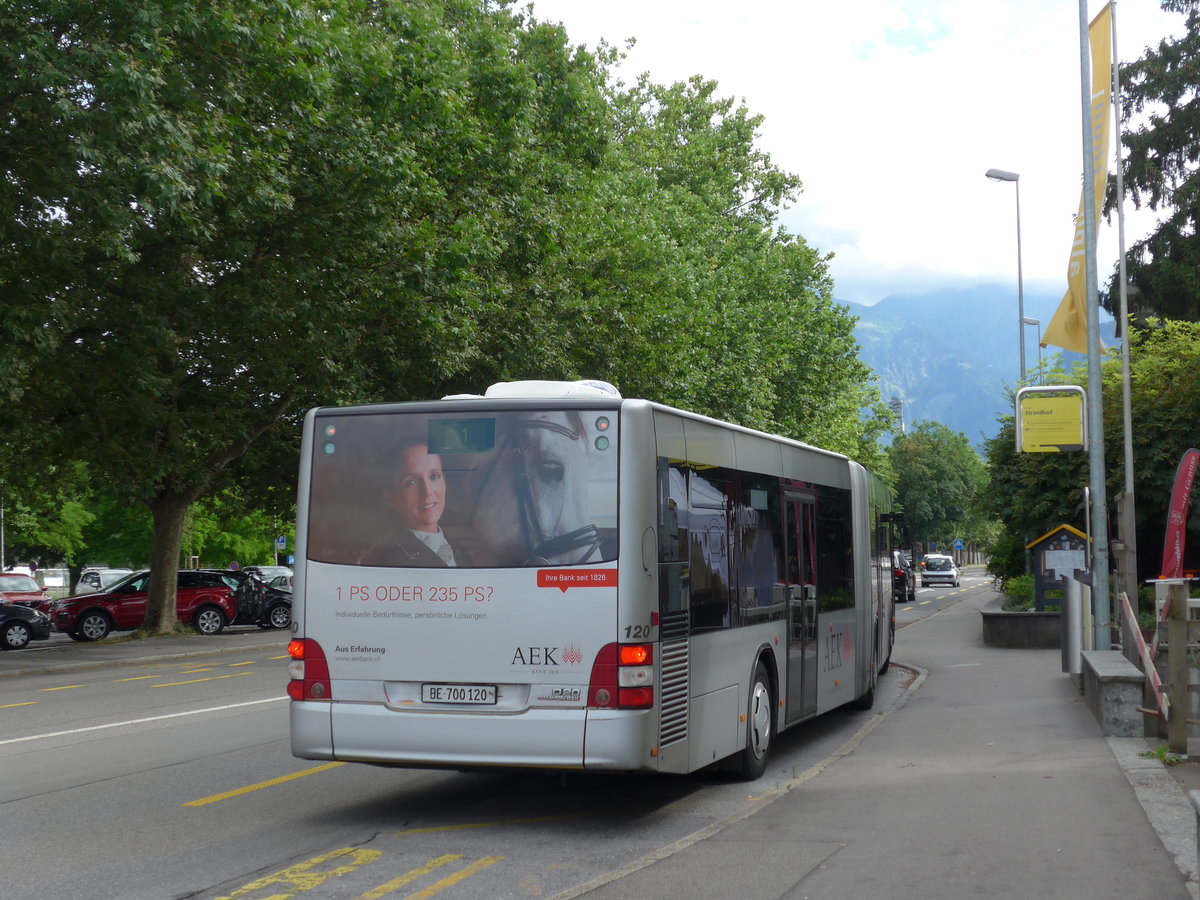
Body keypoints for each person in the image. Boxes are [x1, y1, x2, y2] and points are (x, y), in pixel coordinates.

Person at [358, 438, 465, 567]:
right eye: (411, 482)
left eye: (434, 476)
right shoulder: (388, 559)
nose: (427, 491)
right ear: (391, 497)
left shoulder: (460, 549)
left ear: (444, 481)